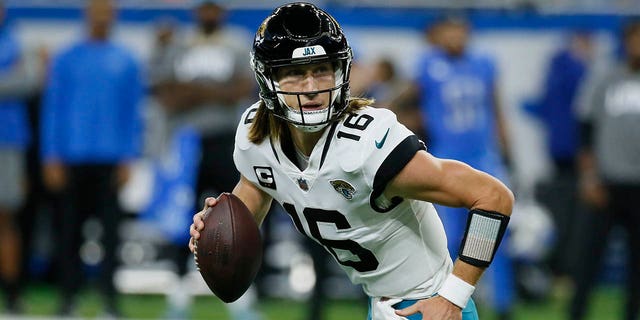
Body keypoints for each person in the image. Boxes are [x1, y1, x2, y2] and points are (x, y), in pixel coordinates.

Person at [188, 3, 514, 320]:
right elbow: (255, 190)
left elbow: (493, 197)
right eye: (294, 74)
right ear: (268, 79)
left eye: (321, 70)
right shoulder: (256, 134)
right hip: (380, 304)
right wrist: (217, 227)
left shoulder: (368, 146)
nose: (312, 88)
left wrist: (452, 297)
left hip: (425, 306)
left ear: (340, 71)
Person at [395, 15, 516, 319]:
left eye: (461, 29)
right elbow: (405, 100)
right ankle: (445, 301)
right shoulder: (427, 65)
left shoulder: (484, 63)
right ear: (439, 33)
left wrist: (507, 150)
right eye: (450, 30)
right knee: (446, 238)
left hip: (485, 159)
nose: (456, 36)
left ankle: (503, 303)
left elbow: (496, 108)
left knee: (493, 234)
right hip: (445, 161)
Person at [147, 1, 259, 319]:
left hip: (226, 140)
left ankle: (241, 298)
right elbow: (166, 93)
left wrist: (193, 92)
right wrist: (214, 91)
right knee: (182, 218)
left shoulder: (236, 42)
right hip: (186, 141)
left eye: (214, 8)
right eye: (204, 8)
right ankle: (178, 295)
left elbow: (241, 88)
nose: (209, 14)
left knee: (236, 215)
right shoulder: (179, 42)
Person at [40, 0, 144, 316]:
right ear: (87, 15)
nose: (101, 18)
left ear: (113, 17)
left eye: (106, 13)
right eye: (96, 12)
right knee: (69, 232)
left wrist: (129, 156)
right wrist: (51, 155)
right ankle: (68, 299)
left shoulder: (126, 61)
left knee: (111, 235)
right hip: (72, 157)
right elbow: (54, 107)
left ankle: (109, 301)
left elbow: (133, 113)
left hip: (111, 159)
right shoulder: (67, 59)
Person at [568, 19, 640, 320]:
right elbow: (585, 128)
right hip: (607, 183)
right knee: (589, 258)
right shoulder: (605, 78)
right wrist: (589, 177)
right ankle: (577, 313)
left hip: (638, 185)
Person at [524, 31, 593, 282]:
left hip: (558, 151)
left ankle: (558, 269)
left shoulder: (555, 71)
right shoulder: (578, 72)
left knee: (561, 211)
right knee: (573, 215)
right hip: (574, 153)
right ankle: (565, 270)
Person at [0, 1, 41, 313]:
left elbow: (29, 80)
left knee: (6, 219)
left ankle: (13, 293)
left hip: (8, 142)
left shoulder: (15, 42)